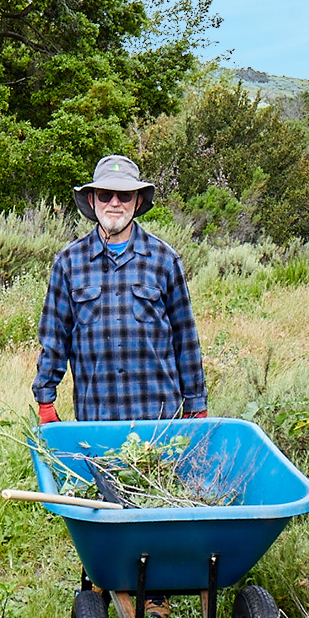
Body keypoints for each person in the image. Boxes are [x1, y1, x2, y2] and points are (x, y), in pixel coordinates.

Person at [33, 154, 207, 423]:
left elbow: (185, 339)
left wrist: (195, 403)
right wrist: (45, 399)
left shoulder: (164, 260)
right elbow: (54, 339)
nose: (114, 203)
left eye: (124, 195)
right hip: (96, 419)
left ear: (137, 201)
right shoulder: (68, 263)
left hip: (159, 422)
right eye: (105, 195)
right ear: (92, 200)